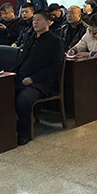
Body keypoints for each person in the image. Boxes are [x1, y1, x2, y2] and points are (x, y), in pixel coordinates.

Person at [13, 10, 64, 145]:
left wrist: (33, 78)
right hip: (22, 77)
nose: (35, 22)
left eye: (38, 20)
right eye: (34, 20)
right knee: (1, 91)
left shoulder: (55, 41)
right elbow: (22, 60)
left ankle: (25, 132)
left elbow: (55, 67)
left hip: (41, 82)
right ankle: (9, 127)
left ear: (48, 22)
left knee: (23, 99)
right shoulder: (31, 38)